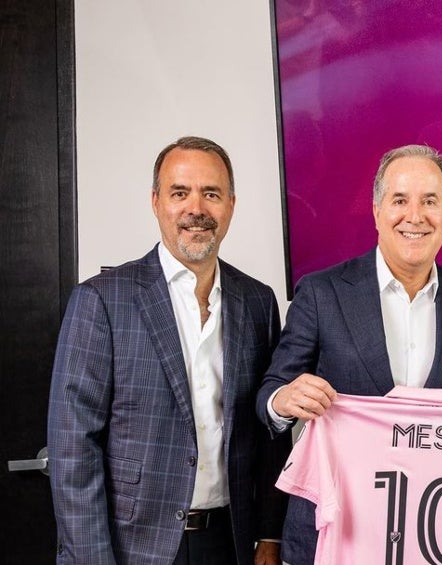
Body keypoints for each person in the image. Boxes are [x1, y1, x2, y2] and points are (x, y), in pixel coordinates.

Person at [255, 144, 442, 565]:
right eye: (400, 200)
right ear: (377, 210)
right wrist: (284, 400)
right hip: (337, 532)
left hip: (432, 536)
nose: (415, 216)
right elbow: (271, 392)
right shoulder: (321, 293)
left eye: (430, 201)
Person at [48, 136, 290, 565]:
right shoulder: (102, 300)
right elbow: (73, 449)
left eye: (211, 193)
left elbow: (268, 434)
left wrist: (270, 533)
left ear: (231, 205)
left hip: (230, 542)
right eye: (180, 193)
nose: (196, 208)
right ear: (156, 202)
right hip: (132, 547)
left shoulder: (258, 301)